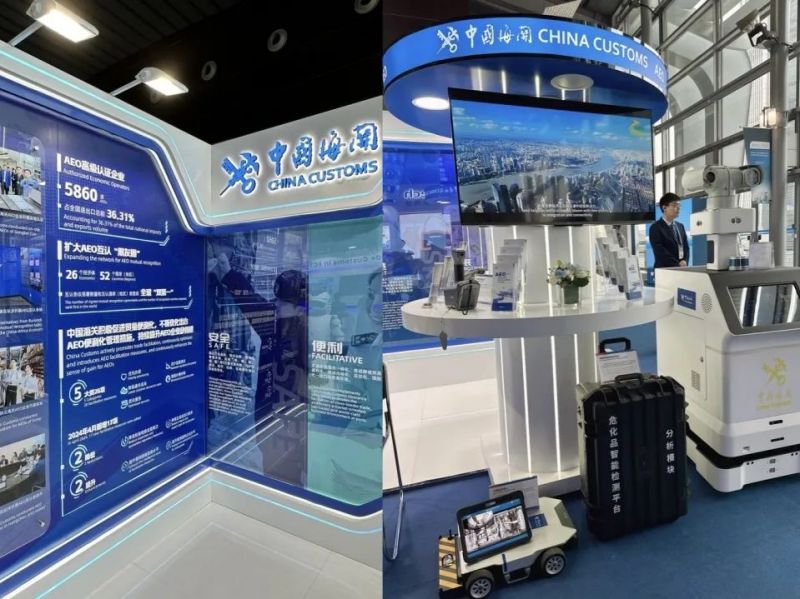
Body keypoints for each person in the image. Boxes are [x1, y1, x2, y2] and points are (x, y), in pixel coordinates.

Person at [650, 193, 690, 268]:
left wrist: (685, 261)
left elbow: (686, 247)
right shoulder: (655, 227)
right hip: (664, 270)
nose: (678, 208)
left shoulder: (680, 226)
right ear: (664, 207)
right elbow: (660, 251)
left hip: (681, 269)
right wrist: (677, 264)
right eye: (674, 205)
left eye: (679, 205)